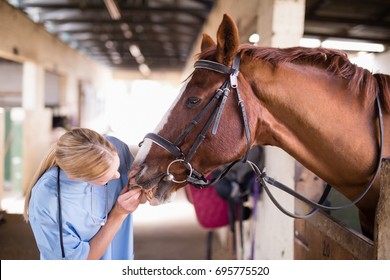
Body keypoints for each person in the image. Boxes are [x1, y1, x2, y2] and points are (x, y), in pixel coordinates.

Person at [23, 128, 142, 260]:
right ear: (76, 177)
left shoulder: (114, 148)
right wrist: (118, 214)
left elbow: (143, 193)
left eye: (117, 167)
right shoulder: (49, 199)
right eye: (104, 179)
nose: (118, 175)